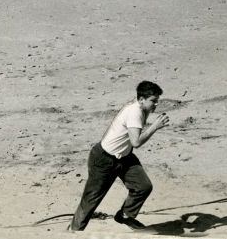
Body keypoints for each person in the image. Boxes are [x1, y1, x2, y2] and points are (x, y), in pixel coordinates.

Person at [68, 81, 170, 231]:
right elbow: (136, 142)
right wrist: (154, 127)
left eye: (157, 101)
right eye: (153, 101)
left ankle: (125, 215)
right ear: (141, 99)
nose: (156, 104)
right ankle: (74, 232)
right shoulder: (134, 111)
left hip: (124, 157)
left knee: (143, 186)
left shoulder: (141, 107)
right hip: (104, 159)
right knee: (91, 200)